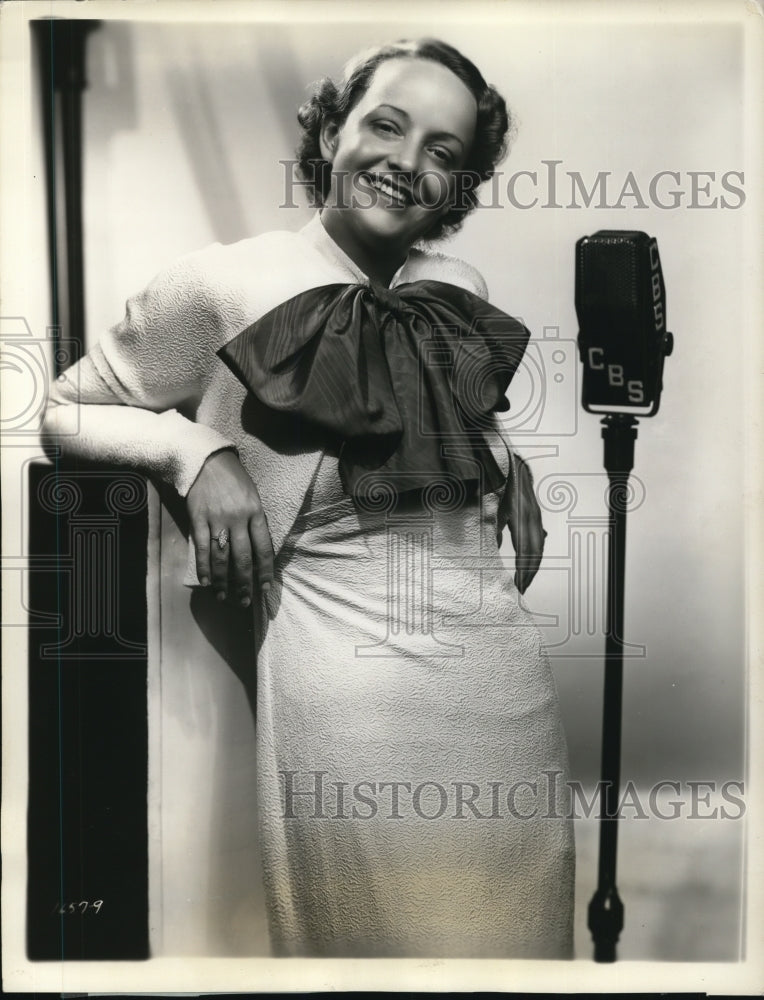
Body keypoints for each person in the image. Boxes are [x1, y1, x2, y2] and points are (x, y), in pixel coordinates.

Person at [43, 37, 575, 958]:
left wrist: (504, 452)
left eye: (444, 153)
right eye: (385, 125)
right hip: (349, 686)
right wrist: (192, 451)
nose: (407, 166)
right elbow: (62, 410)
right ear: (331, 129)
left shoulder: (456, 292)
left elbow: (433, 417)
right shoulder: (221, 282)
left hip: (504, 689)